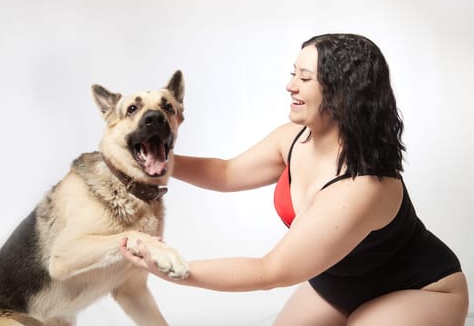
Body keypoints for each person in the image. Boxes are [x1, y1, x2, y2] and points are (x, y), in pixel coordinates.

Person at [121, 33, 469, 325]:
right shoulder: (293, 138)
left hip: (419, 289)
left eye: (304, 78)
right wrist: (155, 160)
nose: (290, 86)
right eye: (293, 74)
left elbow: (270, 271)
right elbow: (225, 173)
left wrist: (173, 269)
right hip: (337, 284)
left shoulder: (363, 186)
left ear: (342, 91)